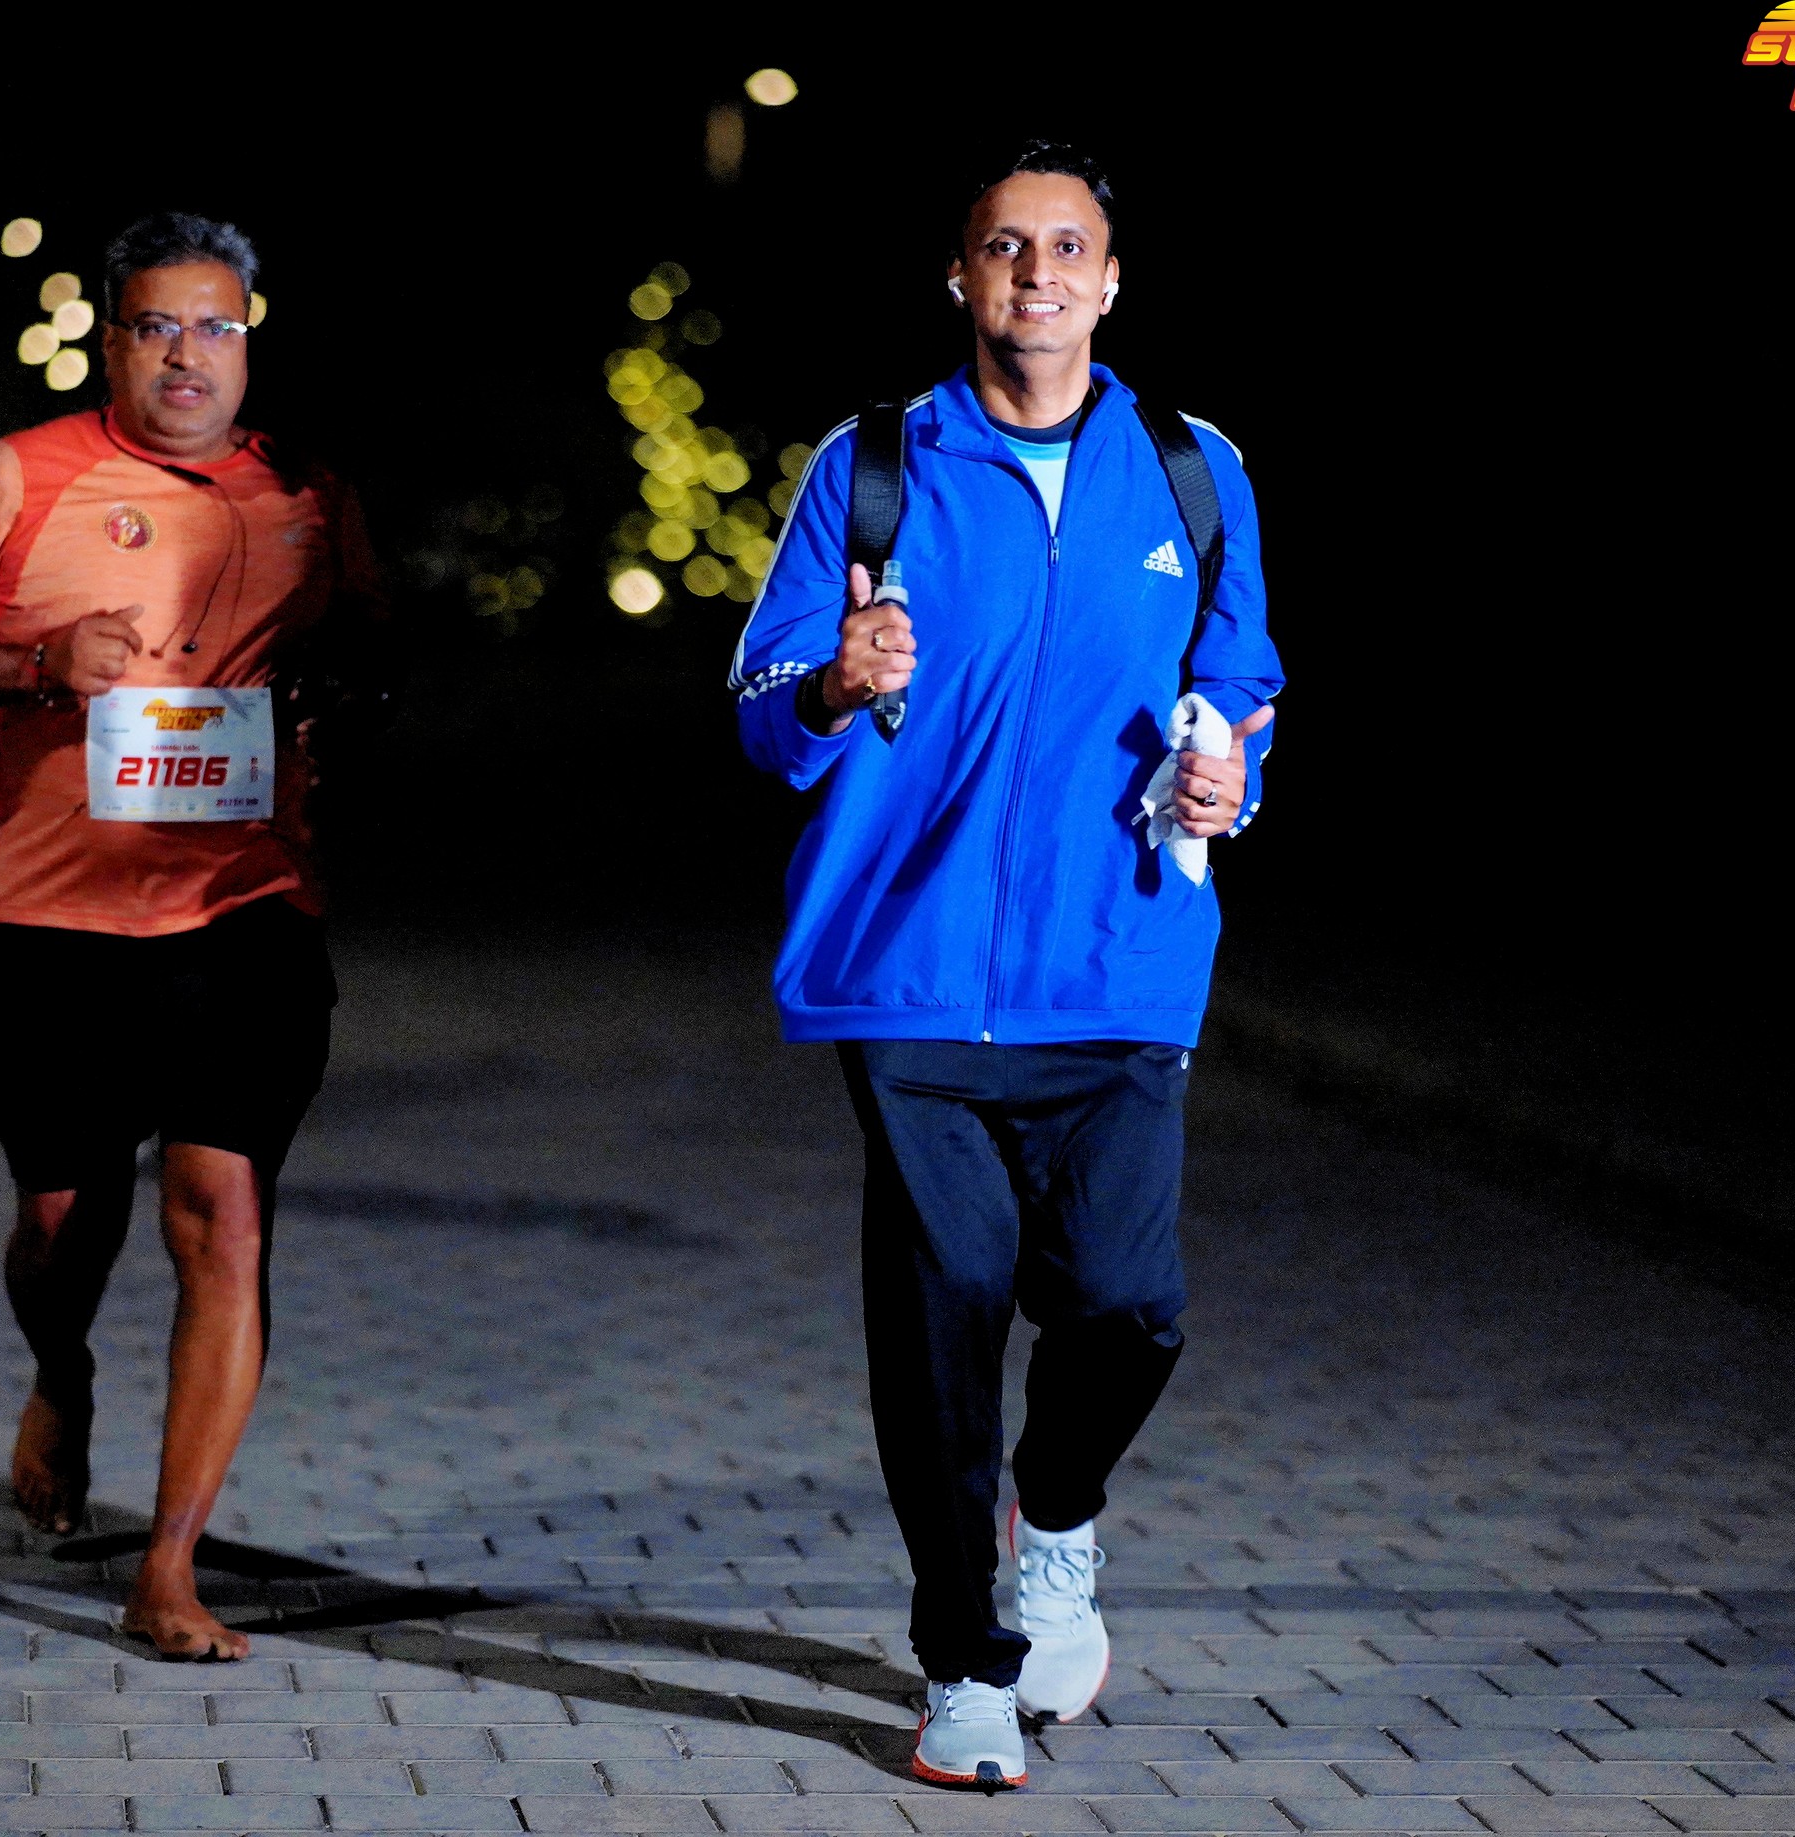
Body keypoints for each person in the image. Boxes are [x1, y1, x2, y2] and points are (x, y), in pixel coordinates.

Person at [729, 142, 1283, 1789]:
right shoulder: (873, 466)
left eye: (1067, 246)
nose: (1037, 272)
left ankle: (1061, 1515)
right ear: (961, 277)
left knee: (1129, 1305)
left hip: (1120, 964)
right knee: (945, 1312)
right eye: (1004, 246)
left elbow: (1242, 678)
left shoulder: (1193, 469)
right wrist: (835, 682)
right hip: (910, 977)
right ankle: (964, 1665)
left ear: (1111, 280)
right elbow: (763, 712)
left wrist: (1231, 773)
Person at [0, 212, 389, 1660]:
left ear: (250, 341)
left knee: (224, 1215)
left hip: (249, 918)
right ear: (113, 342)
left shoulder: (307, 491)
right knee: (58, 1228)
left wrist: (337, 713)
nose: (187, 356)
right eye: (158, 327)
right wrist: (33, 662)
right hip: (53, 926)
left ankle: (170, 1563)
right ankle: (62, 1368)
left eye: (216, 327)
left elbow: (372, 650)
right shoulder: (19, 476)